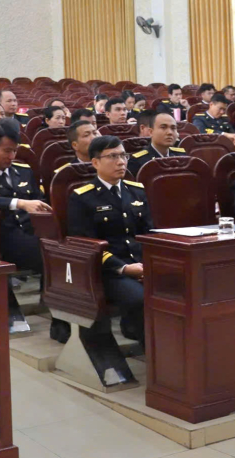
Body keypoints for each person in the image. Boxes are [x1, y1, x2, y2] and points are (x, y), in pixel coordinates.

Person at [0, 120, 70, 342]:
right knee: (49, 256)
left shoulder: (24, 171)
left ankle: (60, 317)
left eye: (14, 151)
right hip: (2, 236)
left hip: (32, 232)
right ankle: (59, 320)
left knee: (62, 253)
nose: (11, 156)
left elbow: (38, 200)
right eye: (6, 151)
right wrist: (18, 203)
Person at [67, 136, 151, 345]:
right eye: (113, 156)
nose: (121, 162)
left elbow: (149, 234)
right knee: (141, 298)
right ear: (95, 162)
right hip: (108, 270)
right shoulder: (82, 197)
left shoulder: (136, 190)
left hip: (142, 264)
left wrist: (150, 264)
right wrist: (124, 268)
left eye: (123, 155)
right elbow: (86, 245)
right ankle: (153, 350)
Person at [127, 112, 183, 177]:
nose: (170, 132)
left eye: (173, 128)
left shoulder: (181, 156)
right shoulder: (138, 161)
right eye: (163, 127)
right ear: (151, 132)